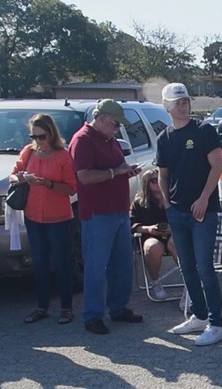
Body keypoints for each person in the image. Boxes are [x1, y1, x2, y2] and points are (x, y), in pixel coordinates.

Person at [156, 83, 222, 345]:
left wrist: (204, 198)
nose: (183, 106)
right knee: (187, 267)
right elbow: (163, 175)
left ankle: (217, 323)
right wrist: (167, 204)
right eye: (178, 102)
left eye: (185, 101)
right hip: (177, 211)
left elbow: (216, 165)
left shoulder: (203, 130)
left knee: (205, 267)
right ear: (167, 106)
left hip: (203, 212)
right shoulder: (164, 138)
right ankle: (198, 315)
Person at [69, 99, 143, 335]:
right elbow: (84, 177)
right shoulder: (83, 140)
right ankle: (93, 316)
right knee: (96, 266)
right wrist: (115, 172)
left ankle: (118, 308)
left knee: (122, 264)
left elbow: (118, 166)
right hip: (97, 214)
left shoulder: (110, 140)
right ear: (100, 119)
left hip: (120, 210)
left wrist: (126, 169)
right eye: (114, 124)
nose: (117, 129)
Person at [10, 113, 77, 325]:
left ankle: (66, 308)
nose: (38, 141)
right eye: (34, 136)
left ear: (51, 134)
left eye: (42, 136)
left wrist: (48, 184)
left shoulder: (63, 156)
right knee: (39, 264)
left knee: (62, 263)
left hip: (58, 219)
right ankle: (42, 307)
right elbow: (12, 174)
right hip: (33, 217)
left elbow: (71, 188)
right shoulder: (28, 152)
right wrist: (21, 178)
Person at [129, 167, 177, 301]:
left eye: (160, 179)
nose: (158, 182)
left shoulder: (174, 198)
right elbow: (132, 225)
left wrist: (172, 229)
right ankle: (156, 283)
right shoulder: (139, 203)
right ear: (146, 183)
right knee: (152, 247)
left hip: (173, 234)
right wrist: (149, 229)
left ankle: (190, 283)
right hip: (150, 235)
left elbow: (184, 219)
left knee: (177, 243)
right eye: (153, 180)